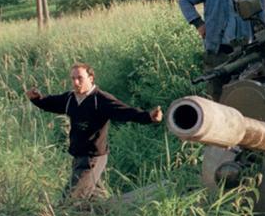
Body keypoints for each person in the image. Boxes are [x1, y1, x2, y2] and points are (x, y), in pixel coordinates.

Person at [26, 63, 163, 200]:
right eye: (73, 78)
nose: (75, 82)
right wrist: (36, 99)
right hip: (78, 157)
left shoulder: (101, 99)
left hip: (93, 159)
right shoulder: (70, 98)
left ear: (91, 78)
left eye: (80, 78)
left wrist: (148, 117)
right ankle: (109, 211)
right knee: (95, 202)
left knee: (70, 199)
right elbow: (51, 103)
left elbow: (125, 111)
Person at [178, 0, 265, 100]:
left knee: (245, 99)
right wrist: (198, 23)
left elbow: (262, 25)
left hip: (245, 57)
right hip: (217, 54)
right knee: (217, 99)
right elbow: (184, 0)